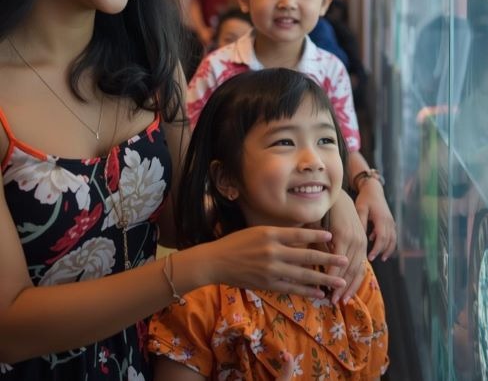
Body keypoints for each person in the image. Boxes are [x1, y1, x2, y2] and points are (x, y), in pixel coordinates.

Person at [0, 0, 368, 379]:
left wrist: (327, 198)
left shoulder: (152, 69)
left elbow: (192, 217)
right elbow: (9, 324)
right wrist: (197, 268)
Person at [149, 69, 389, 380]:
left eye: (326, 139)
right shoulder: (198, 297)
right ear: (226, 179)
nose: (313, 160)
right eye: (285, 142)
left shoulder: (351, 274)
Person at [187, 0, 397, 262]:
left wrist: (369, 184)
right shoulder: (217, 68)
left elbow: (347, 147)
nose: (287, 2)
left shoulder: (330, 70)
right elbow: (190, 145)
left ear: (326, 0)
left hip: (314, 225)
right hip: (232, 229)